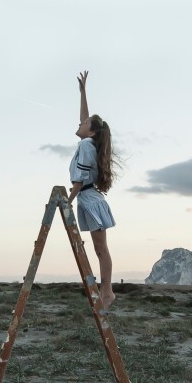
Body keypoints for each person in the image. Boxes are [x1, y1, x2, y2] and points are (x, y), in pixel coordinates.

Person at [68, 70, 117, 309]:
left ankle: (107, 291)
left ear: (92, 131)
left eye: (84, 124)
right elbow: (86, 118)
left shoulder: (87, 145)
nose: (80, 123)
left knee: (101, 249)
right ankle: (105, 290)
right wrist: (83, 92)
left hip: (88, 198)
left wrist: (68, 200)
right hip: (87, 199)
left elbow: (80, 178)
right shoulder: (88, 140)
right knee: (100, 249)